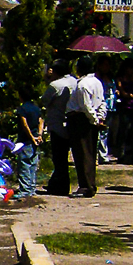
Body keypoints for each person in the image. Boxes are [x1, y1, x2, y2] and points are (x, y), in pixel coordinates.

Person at [66, 55, 107, 198]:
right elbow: (102, 102)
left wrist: (94, 120)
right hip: (90, 119)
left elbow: (85, 106)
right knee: (90, 153)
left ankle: (86, 186)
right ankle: (89, 183)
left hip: (81, 119)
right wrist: (100, 117)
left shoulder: (83, 84)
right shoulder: (97, 82)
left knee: (82, 153)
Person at [40, 60, 77, 195]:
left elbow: (44, 100)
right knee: (65, 157)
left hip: (56, 123)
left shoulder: (55, 85)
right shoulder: (74, 81)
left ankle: (60, 186)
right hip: (70, 122)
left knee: (58, 158)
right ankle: (58, 184)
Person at [15, 86, 44, 199]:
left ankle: (25, 189)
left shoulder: (22, 109)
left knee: (24, 165)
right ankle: (31, 188)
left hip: (25, 140)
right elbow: (41, 121)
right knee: (33, 164)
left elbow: (24, 124)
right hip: (36, 139)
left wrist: (31, 137)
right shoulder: (36, 108)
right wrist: (39, 135)